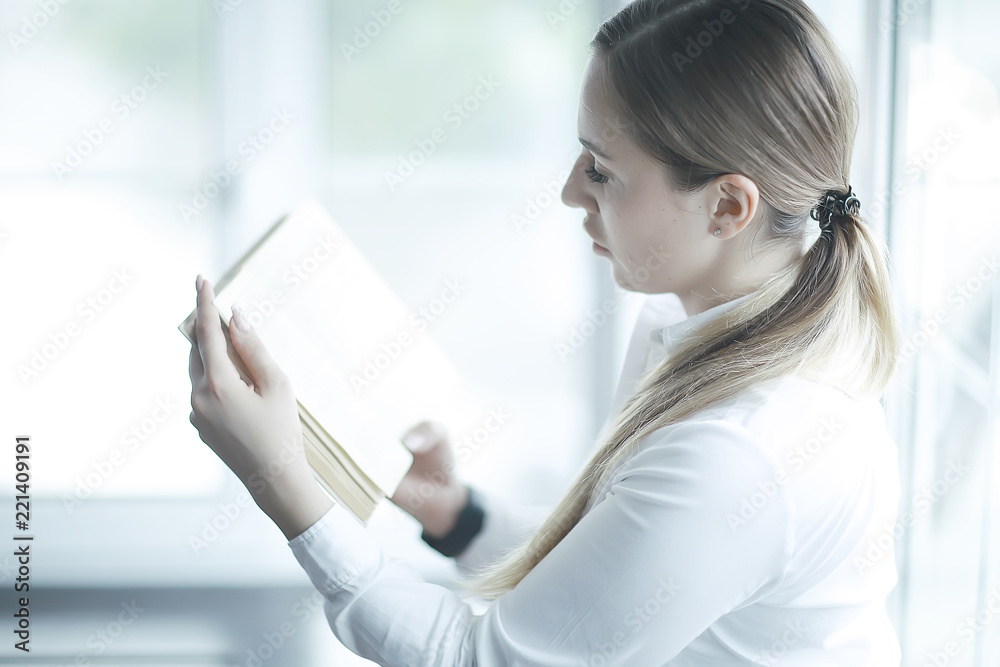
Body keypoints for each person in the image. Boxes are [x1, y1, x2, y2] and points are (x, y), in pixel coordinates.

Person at [186, 0, 903, 663]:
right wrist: (456, 515)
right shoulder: (703, 337)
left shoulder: (742, 453)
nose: (569, 192)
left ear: (726, 206)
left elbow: (477, 658)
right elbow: (605, 582)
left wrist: (280, 479)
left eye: (601, 169)